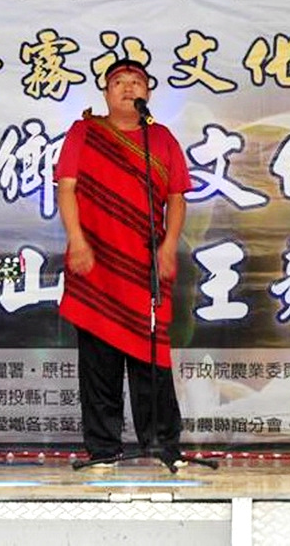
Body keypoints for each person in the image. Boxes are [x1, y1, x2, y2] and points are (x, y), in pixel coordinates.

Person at [55, 58, 190, 467]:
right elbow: (67, 188)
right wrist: (76, 240)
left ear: (149, 93)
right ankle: (103, 448)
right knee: (99, 363)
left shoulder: (162, 139)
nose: (129, 89)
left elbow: (177, 198)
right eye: (119, 82)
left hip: (144, 266)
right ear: (106, 92)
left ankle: (161, 444)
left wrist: (168, 247)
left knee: (152, 358)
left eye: (137, 82)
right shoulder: (84, 132)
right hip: (95, 262)